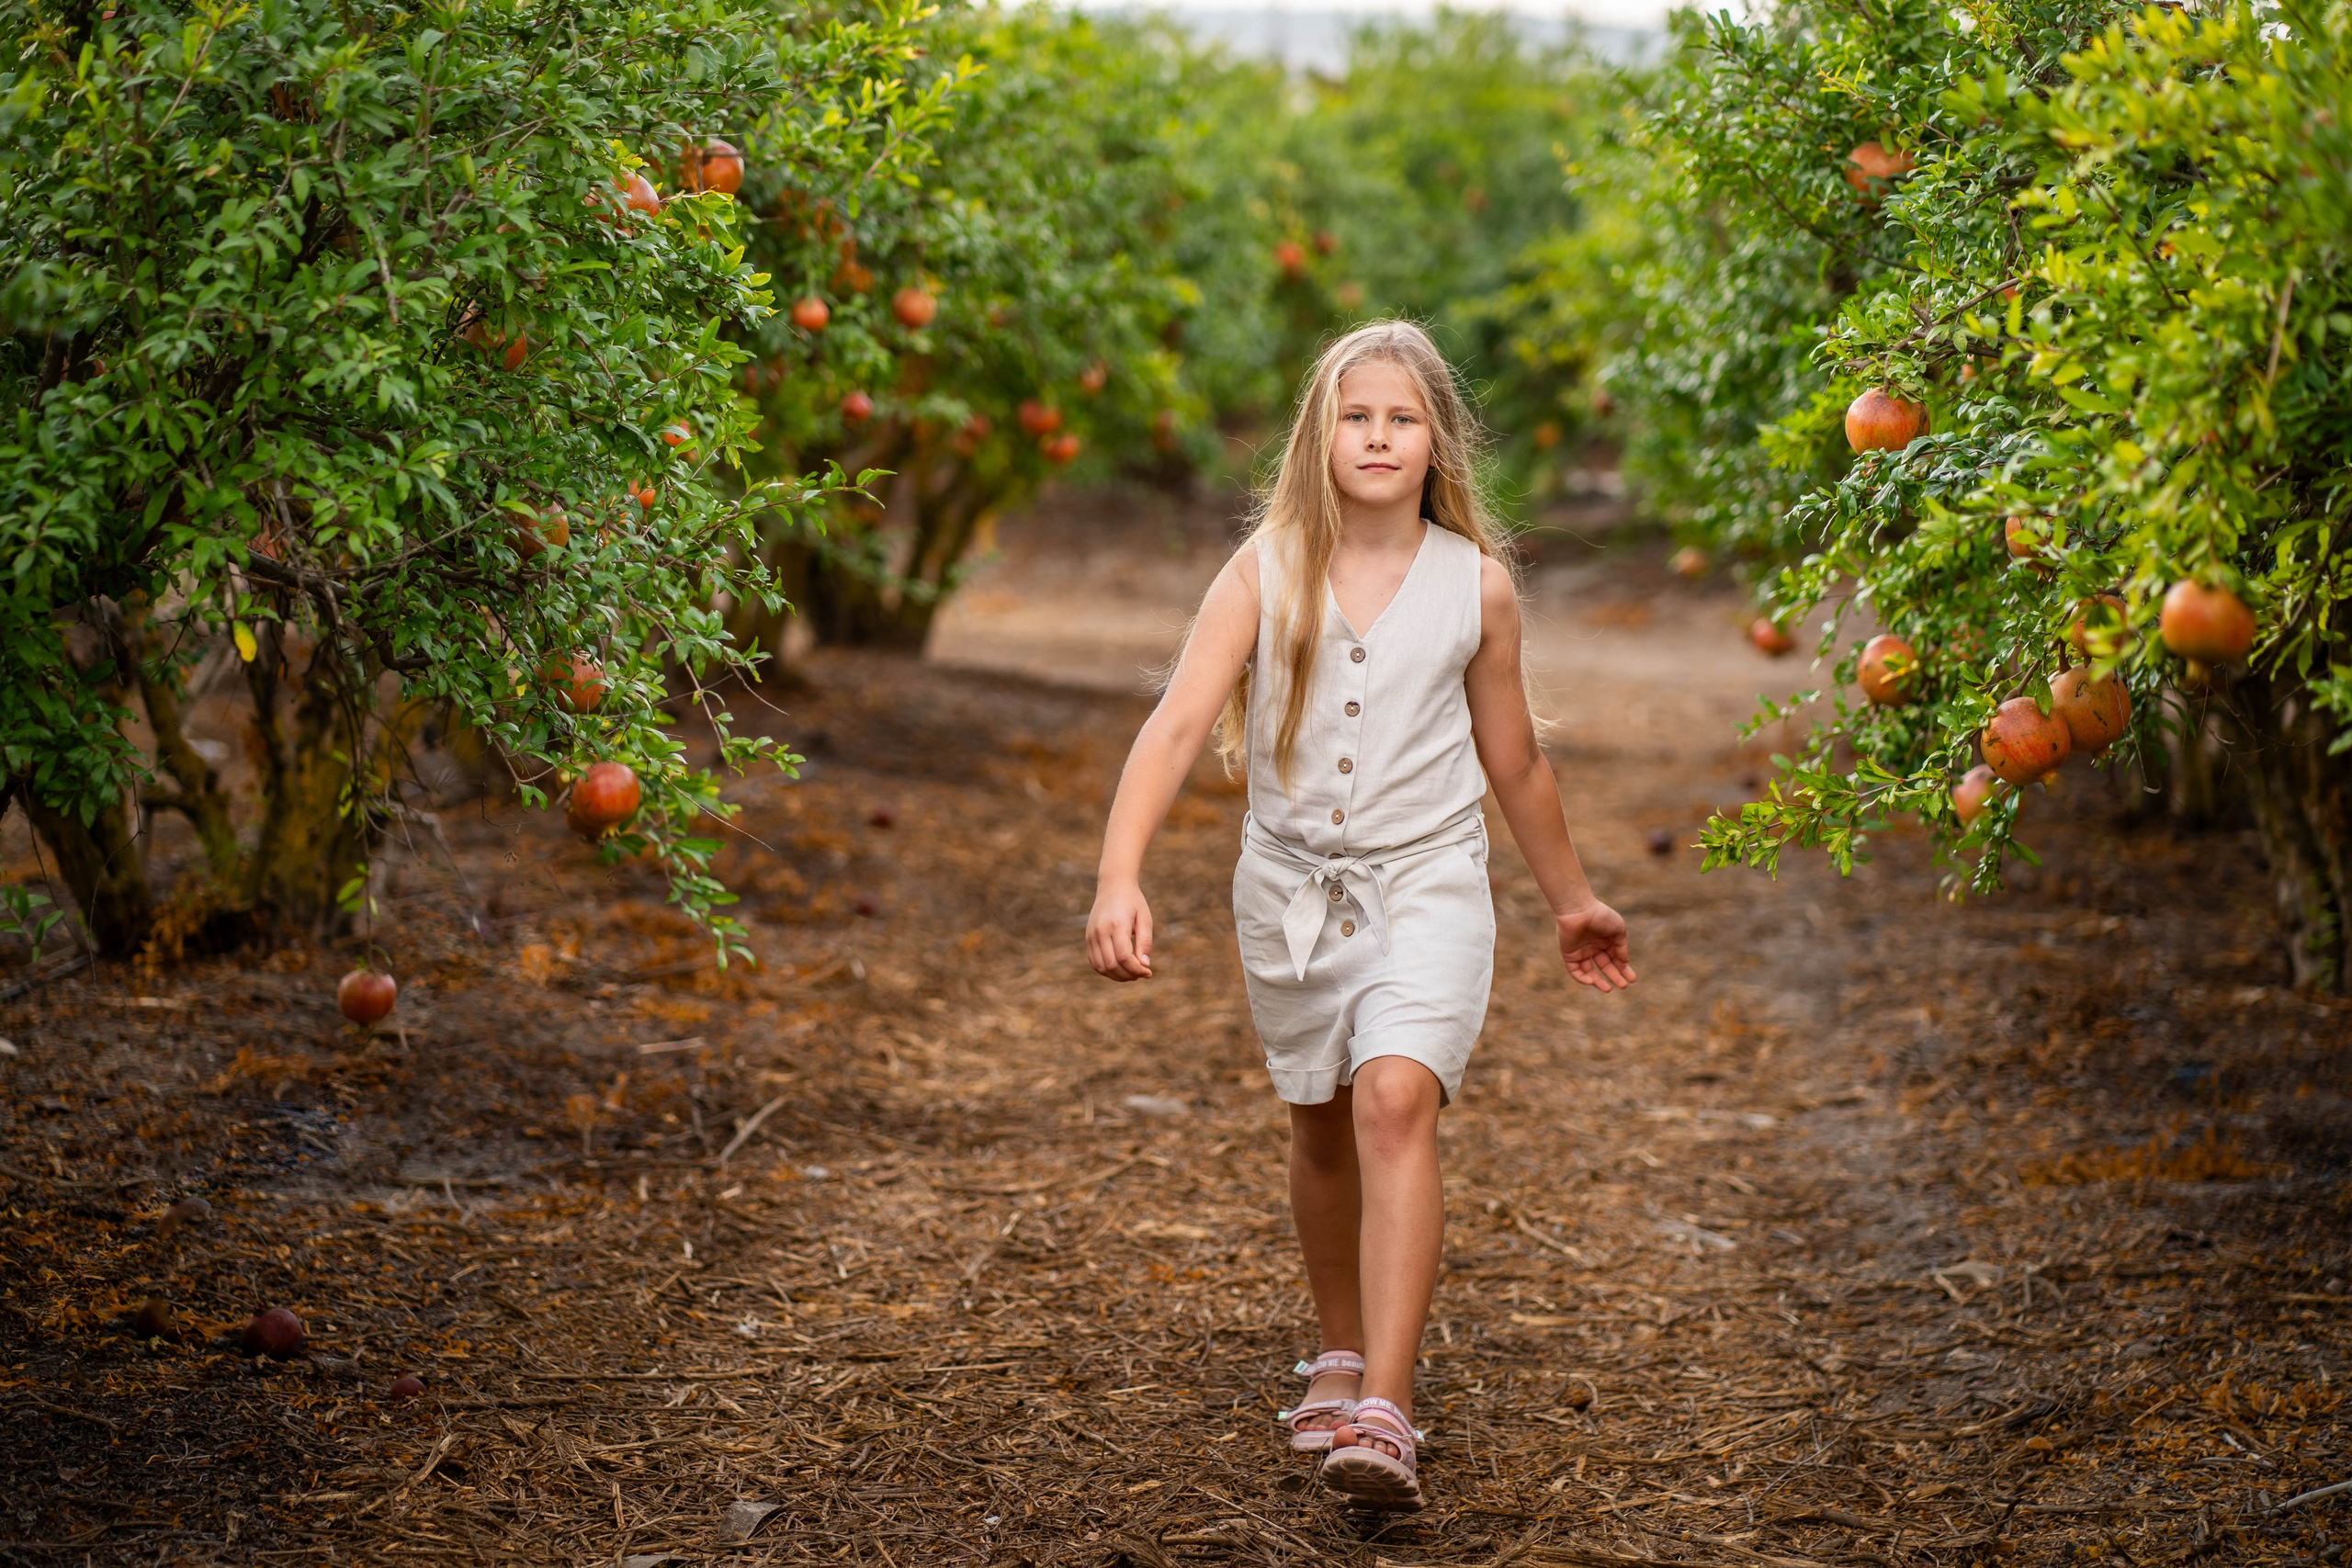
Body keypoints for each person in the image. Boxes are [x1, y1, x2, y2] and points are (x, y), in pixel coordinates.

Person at [1084, 320, 1636, 1511]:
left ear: (1438, 439)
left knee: (1394, 1096)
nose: (1378, 435)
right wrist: (1118, 873)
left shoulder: (1476, 587)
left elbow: (1515, 763)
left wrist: (1573, 899)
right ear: (1320, 436)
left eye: (1401, 417)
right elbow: (1176, 722)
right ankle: (1339, 1345)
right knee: (1322, 1121)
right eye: (1356, 415)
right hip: (1286, 894)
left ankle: (1385, 1406)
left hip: (1428, 882)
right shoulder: (1265, 567)